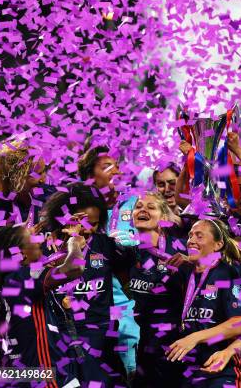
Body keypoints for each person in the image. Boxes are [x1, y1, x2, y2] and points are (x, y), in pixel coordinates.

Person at [35, 183, 132, 386]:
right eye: (82, 221)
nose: (88, 229)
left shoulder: (106, 245)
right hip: (57, 339)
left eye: (94, 223)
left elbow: (125, 281)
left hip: (100, 339)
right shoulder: (41, 249)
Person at [0, 225, 85, 387]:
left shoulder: (4, 283)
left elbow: (53, 263)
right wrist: (74, 243)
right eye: (31, 238)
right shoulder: (24, 277)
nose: (38, 239)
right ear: (20, 253)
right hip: (44, 377)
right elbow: (75, 267)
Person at [78, 143, 140, 376]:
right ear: (88, 177)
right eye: (107, 167)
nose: (116, 171)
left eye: (117, 166)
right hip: (97, 317)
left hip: (134, 310)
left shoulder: (136, 204)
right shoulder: (78, 213)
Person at [114, 192, 188, 387]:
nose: (143, 210)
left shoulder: (179, 250)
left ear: (163, 218)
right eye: (138, 206)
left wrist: (189, 264)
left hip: (175, 343)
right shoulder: (132, 254)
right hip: (145, 342)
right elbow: (126, 282)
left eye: (151, 207)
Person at [166, 219, 241, 388]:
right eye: (190, 235)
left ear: (217, 245)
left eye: (199, 236)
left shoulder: (229, 274)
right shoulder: (185, 273)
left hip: (221, 368)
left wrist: (194, 338)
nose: (192, 240)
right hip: (189, 370)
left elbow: (239, 324)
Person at [0, 141, 54, 229]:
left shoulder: (48, 194)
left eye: (44, 171)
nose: (43, 179)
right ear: (17, 178)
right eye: (38, 174)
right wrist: (22, 236)